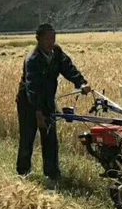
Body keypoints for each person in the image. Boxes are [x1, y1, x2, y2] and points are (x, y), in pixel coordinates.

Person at [16, 23, 90, 188]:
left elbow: (68, 69)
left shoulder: (56, 53)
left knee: (50, 138)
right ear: (38, 39)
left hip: (48, 100)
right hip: (29, 103)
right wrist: (38, 113)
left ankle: (52, 174)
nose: (51, 42)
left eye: (53, 38)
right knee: (28, 137)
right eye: (47, 39)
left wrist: (81, 83)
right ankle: (23, 173)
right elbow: (32, 89)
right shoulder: (32, 60)